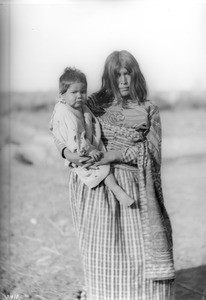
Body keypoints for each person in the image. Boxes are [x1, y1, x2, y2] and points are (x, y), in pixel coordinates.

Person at [52, 50, 175, 300]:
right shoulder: (92, 104)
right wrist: (66, 152)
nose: (123, 80)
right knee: (104, 253)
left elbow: (151, 151)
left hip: (136, 186)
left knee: (141, 255)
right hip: (97, 189)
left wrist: (113, 155)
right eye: (116, 75)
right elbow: (62, 128)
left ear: (135, 75)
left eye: (127, 74)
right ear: (108, 77)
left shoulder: (149, 108)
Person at [50, 67, 134, 206]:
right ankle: (117, 190)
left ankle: (117, 190)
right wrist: (89, 150)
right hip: (79, 151)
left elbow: (88, 125)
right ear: (62, 95)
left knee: (103, 165)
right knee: (100, 168)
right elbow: (74, 139)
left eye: (83, 92)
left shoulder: (82, 107)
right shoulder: (64, 113)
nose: (79, 96)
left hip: (88, 146)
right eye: (74, 92)